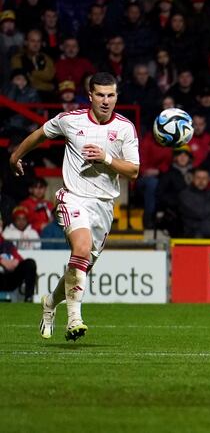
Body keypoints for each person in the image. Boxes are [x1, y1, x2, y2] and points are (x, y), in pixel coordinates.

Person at [9, 72, 140, 341]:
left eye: (111, 95)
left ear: (117, 96)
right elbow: (40, 134)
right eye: (100, 95)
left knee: (78, 268)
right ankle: (74, 320)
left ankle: (49, 304)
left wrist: (106, 158)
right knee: (80, 249)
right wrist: (15, 156)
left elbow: (134, 170)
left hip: (104, 206)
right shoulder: (71, 121)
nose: (106, 101)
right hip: (73, 197)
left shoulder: (125, 128)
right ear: (90, 96)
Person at [0, 220, 38, 302]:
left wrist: (16, 261)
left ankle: (28, 298)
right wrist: (1, 261)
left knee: (30, 263)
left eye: (0, 225)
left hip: (8, 277)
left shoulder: (6, 243)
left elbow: (18, 257)